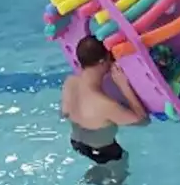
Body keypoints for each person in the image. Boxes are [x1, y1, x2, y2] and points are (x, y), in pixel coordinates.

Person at [61, 35, 148, 164]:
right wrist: (124, 86)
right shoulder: (105, 104)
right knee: (120, 169)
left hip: (76, 142)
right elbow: (142, 121)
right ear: (102, 61)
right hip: (104, 152)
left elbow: (65, 113)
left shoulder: (70, 83)